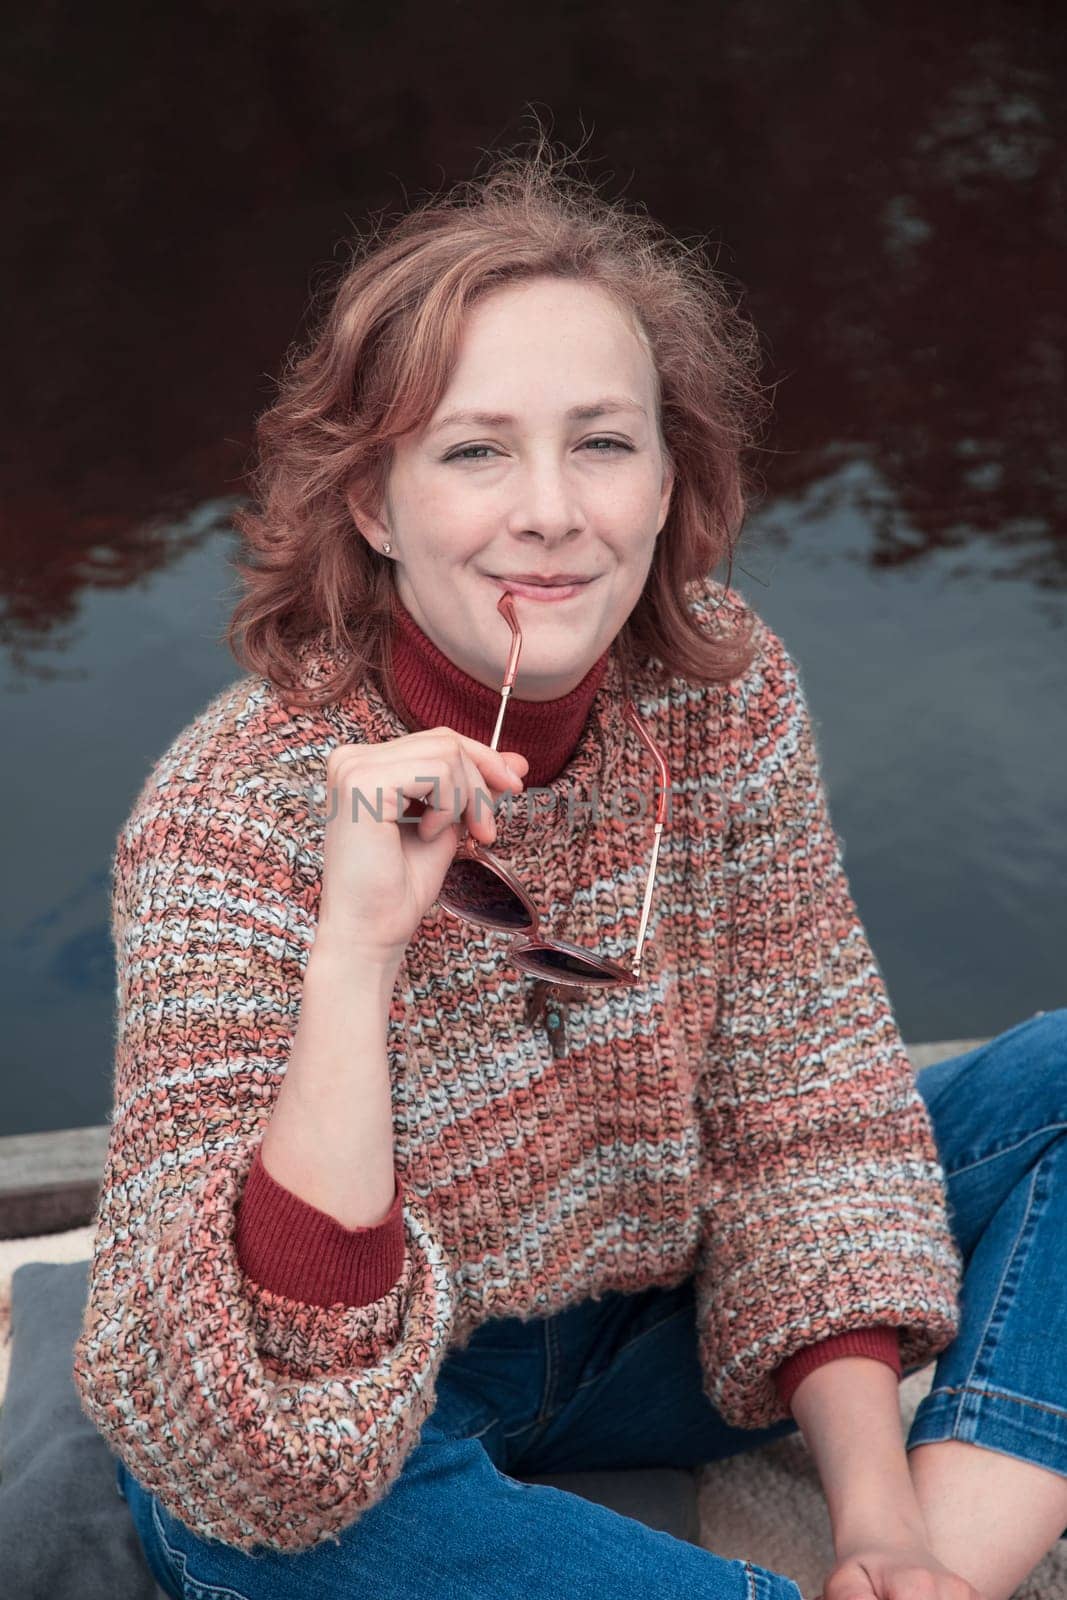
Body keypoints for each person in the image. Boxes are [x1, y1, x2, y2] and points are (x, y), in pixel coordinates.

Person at [73, 130, 1067, 1600]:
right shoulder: (224, 814)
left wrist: (878, 1527)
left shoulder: (723, 692)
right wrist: (355, 953)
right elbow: (261, 1429)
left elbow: (808, 1104)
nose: (552, 509)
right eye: (476, 451)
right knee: (238, 1513)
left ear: (670, 484)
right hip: (392, 1398)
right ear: (373, 502)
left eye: (604, 442)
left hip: (655, 1319)